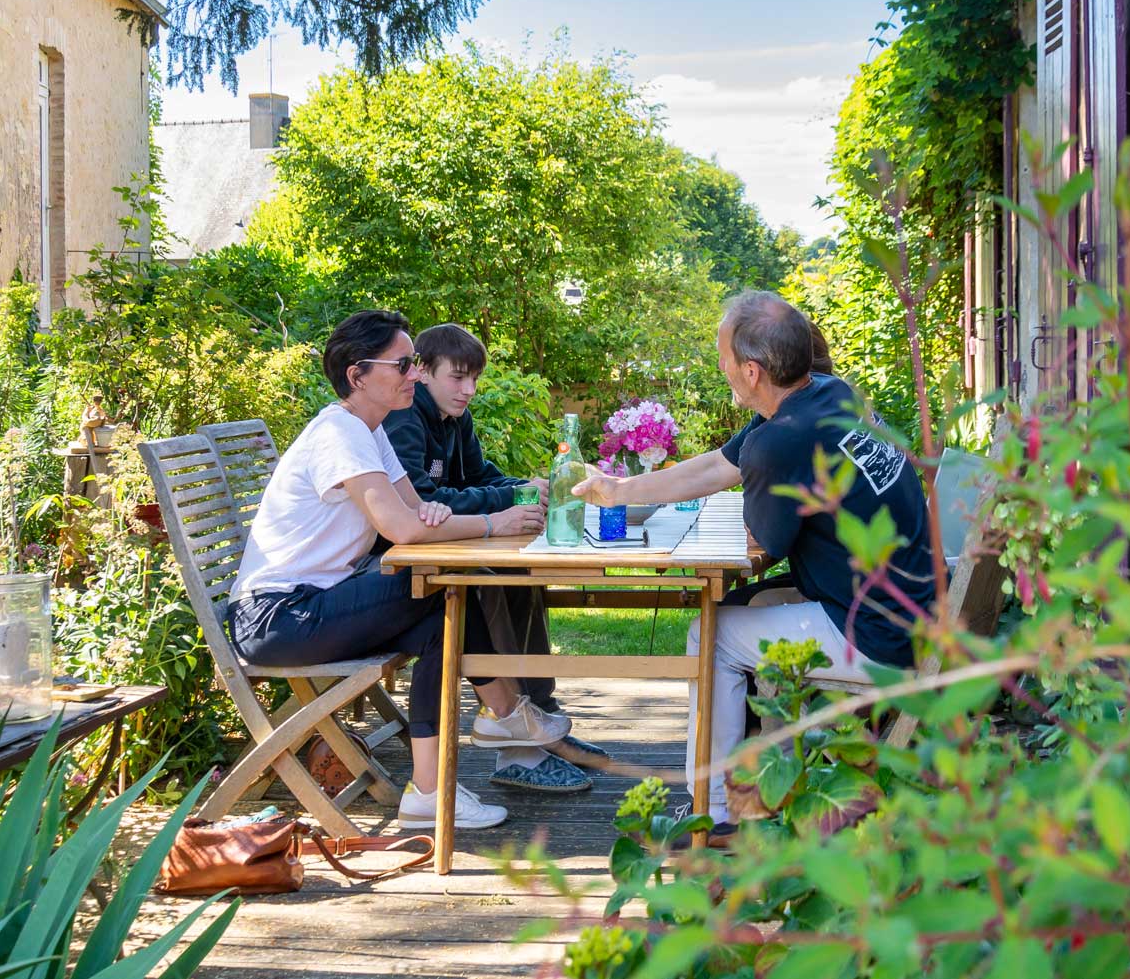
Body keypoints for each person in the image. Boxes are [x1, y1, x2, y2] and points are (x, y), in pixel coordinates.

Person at [571, 292, 936, 825]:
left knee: (710, 635)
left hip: (876, 636)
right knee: (749, 606)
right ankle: (765, 790)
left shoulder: (782, 439)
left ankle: (715, 813)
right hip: (909, 611)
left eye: (723, 356)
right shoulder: (829, 394)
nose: (719, 366)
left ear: (751, 370)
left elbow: (759, 543)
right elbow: (719, 467)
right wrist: (621, 489)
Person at [229, 310, 566, 831]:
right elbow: (404, 527)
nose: (415, 373)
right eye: (404, 364)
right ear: (358, 375)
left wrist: (438, 519)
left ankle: (431, 789)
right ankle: (506, 715)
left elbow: (416, 512)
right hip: (278, 617)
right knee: (444, 589)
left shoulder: (371, 432)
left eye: (415, 362)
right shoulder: (339, 434)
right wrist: (491, 523)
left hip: (317, 601)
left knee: (440, 619)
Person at [383, 323, 611, 794]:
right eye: (457, 377)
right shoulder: (404, 419)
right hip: (395, 563)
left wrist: (524, 488)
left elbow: (479, 476)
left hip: (442, 543)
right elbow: (420, 502)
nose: (468, 390)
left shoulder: (455, 416)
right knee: (485, 581)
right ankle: (519, 745)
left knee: (520, 572)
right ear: (423, 371)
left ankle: (538, 716)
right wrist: (502, 504)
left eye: (474, 379)